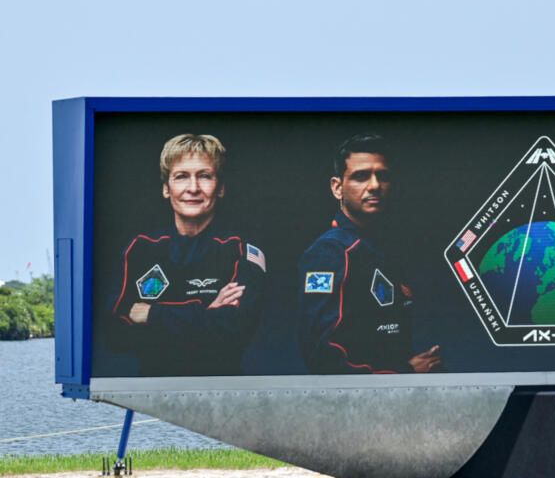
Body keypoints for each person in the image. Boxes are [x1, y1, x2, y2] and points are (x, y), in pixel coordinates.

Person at [108, 134, 266, 376]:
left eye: (204, 176)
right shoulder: (141, 249)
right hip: (152, 388)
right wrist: (206, 312)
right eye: (181, 176)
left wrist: (149, 312)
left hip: (222, 387)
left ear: (221, 188)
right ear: (166, 188)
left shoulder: (239, 251)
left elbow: (233, 330)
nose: (193, 188)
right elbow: (115, 335)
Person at [298, 133, 442, 374]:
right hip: (359, 397)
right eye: (361, 176)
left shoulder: (386, 251)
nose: (375, 185)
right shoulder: (329, 253)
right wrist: (405, 373)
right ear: (337, 188)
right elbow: (323, 358)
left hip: (395, 393)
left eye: (382, 176)